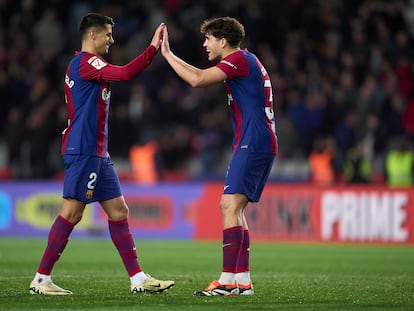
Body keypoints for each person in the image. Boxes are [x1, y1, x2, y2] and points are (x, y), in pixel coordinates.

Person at [29, 13, 174, 296]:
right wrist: (153, 48)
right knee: (71, 212)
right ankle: (41, 279)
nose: (112, 39)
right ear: (92, 35)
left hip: (96, 151)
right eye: (108, 34)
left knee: (119, 211)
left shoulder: (84, 65)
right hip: (84, 149)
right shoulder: (87, 62)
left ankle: (138, 279)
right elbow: (126, 74)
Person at [161, 17, 278, 296]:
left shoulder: (238, 59)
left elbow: (197, 79)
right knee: (235, 208)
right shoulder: (245, 60)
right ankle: (242, 281)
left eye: (209, 39)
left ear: (223, 41)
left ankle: (226, 281)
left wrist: (166, 54)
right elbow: (201, 74)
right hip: (257, 141)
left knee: (227, 206)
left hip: (254, 141)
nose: (205, 44)